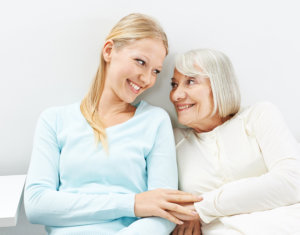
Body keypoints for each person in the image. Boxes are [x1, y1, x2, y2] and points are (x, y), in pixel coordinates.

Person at [24, 13, 201, 235]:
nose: (147, 79)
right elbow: (37, 205)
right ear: (109, 51)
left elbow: (163, 215)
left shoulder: (155, 121)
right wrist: (133, 204)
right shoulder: (54, 120)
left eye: (156, 71)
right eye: (140, 62)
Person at [169, 48, 300, 235]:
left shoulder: (259, 116)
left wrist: (201, 208)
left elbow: (292, 183)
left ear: (219, 84)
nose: (176, 95)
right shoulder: (174, 141)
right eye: (174, 85)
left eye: (190, 82)